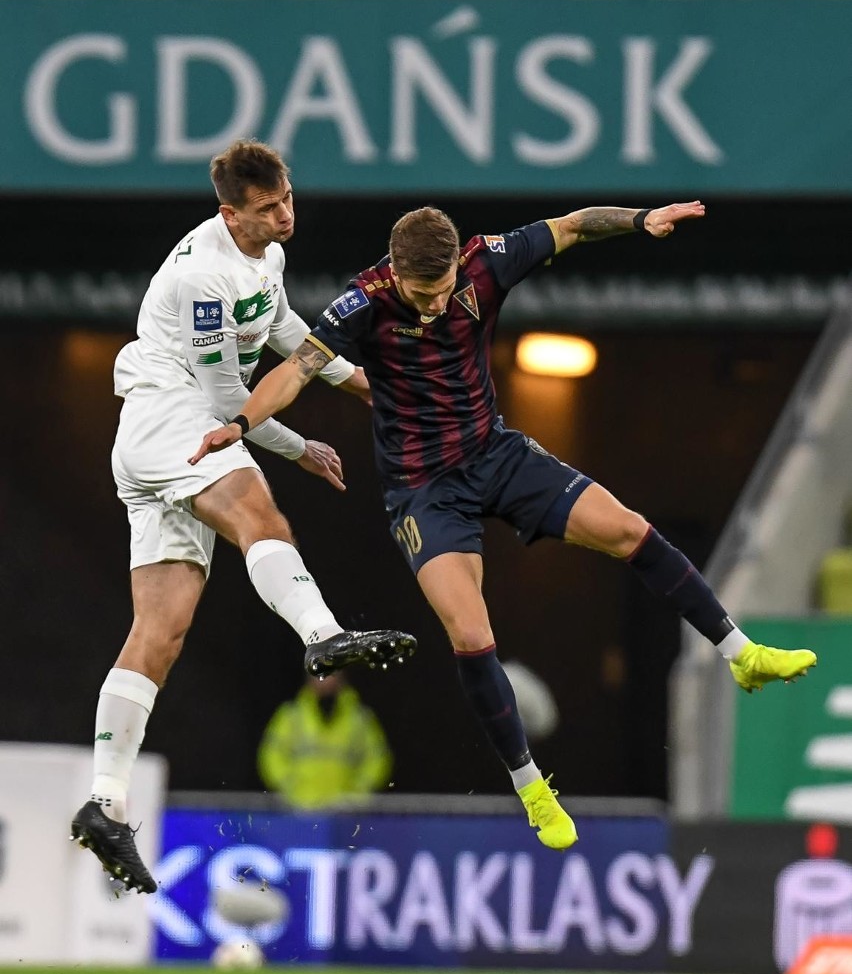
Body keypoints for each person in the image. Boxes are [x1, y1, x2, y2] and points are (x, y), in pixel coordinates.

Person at [189, 200, 818, 851]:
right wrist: (240, 425)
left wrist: (640, 220)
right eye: (420, 294)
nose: (433, 307)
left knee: (629, 528)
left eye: (442, 294)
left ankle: (740, 653)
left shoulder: (485, 263)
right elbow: (295, 369)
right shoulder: (364, 300)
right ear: (395, 271)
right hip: (424, 493)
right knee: (470, 632)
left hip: (497, 456)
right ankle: (533, 790)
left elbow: (573, 225)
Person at [70, 140, 416, 895]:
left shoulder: (266, 257)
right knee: (261, 514)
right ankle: (325, 638)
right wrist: (298, 447)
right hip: (173, 419)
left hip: (172, 432)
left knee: (159, 633)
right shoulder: (202, 275)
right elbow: (230, 404)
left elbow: (290, 333)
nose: (286, 213)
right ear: (230, 212)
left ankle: (105, 802)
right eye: (268, 208)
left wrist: (367, 386)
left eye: (288, 197)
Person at [257, 672, 392, 809]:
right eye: (319, 673)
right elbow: (271, 755)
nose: (325, 680)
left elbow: (377, 758)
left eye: (331, 673)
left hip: (345, 810)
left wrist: (358, 792)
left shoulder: (359, 717)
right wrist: (291, 788)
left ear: (342, 678)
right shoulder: (291, 715)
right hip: (301, 809)